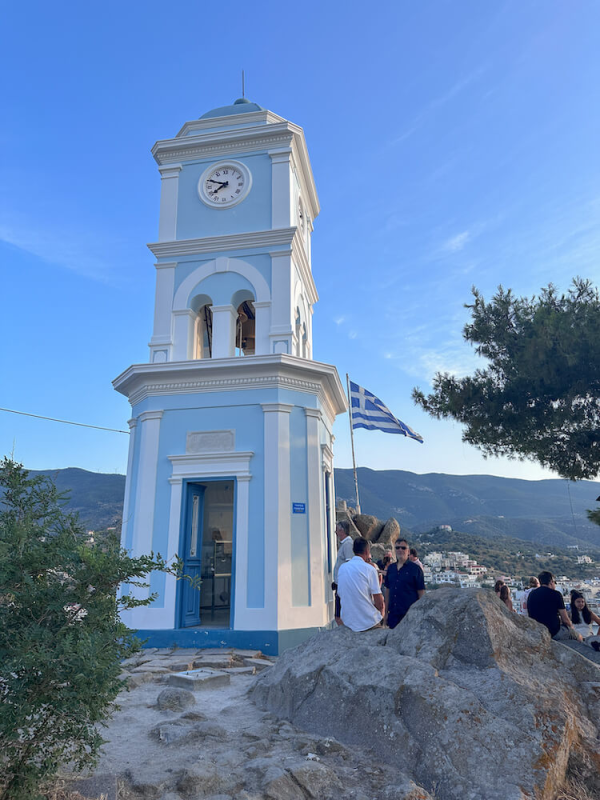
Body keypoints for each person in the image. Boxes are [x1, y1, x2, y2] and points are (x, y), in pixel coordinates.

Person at [336, 537, 384, 631]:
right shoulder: (370, 569)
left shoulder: (342, 568)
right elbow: (379, 603)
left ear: (353, 550)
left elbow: (341, 594)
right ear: (367, 551)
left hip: (347, 622)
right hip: (368, 623)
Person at [527, 572, 583, 642]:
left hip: (537, 631)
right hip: (554, 632)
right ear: (551, 582)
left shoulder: (531, 594)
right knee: (578, 636)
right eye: (554, 582)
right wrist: (571, 628)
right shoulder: (556, 594)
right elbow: (565, 619)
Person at [383, 538, 425, 629]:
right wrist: (385, 613)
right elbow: (388, 591)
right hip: (393, 615)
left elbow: (421, 593)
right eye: (397, 548)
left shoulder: (415, 569)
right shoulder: (391, 569)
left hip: (410, 615)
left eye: (403, 548)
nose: (400, 550)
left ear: (408, 551)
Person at [332, 520, 354, 626]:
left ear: (342, 531)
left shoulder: (348, 544)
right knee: (338, 615)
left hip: (343, 585)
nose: (335, 533)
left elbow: (349, 563)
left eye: (337, 530)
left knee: (339, 616)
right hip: (339, 584)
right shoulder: (344, 544)